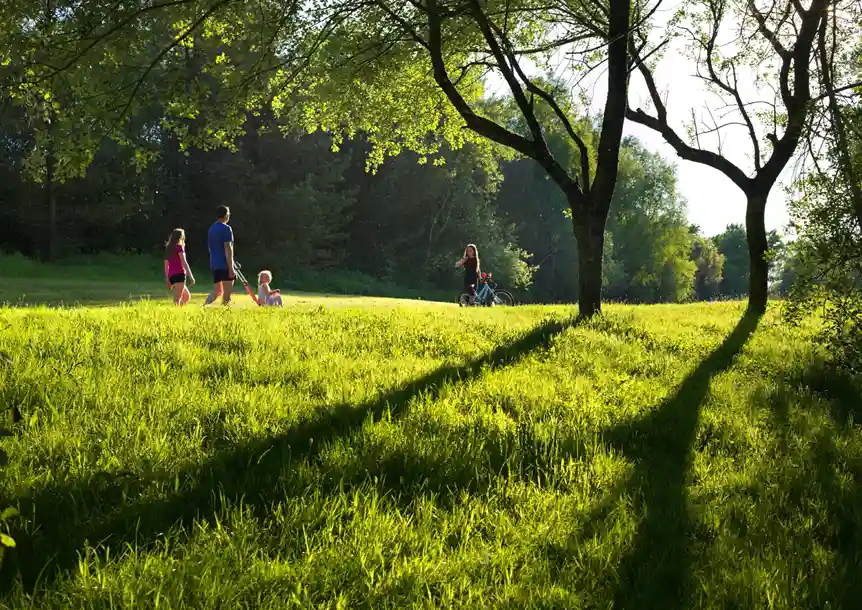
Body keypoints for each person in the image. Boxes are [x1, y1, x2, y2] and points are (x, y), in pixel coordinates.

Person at [204, 205, 235, 306]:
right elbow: (228, 248)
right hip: (224, 265)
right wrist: (231, 267)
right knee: (227, 295)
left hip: (214, 264)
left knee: (217, 292)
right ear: (226, 215)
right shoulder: (226, 228)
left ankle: (204, 307)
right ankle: (225, 315)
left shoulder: (211, 229)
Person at [163, 228, 195, 306]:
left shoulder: (168, 248)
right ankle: (175, 312)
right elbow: (184, 262)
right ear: (181, 238)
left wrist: (168, 279)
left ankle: (179, 311)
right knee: (177, 298)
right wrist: (191, 276)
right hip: (179, 274)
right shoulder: (179, 248)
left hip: (172, 276)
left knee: (186, 296)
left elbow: (166, 264)